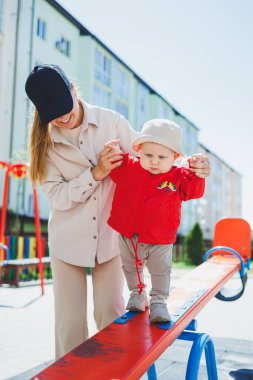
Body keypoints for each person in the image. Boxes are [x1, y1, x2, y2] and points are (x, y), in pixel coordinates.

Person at [25, 64, 211, 358]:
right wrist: (96, 173)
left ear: (73, 89)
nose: (62, 116)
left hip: (113, 239)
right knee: (70, 328)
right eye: (52, 112)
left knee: (110, 320)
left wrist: (191, 167)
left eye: (64, 105)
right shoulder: (46, 144)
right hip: (68, 241)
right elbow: (58, 198)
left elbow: (153, 155)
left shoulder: (111, 122)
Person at [107, 119, 205, 323]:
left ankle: (159, 301)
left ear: (175, 157)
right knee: (130, 267)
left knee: (161, 270)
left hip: (161, 237)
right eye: (148, 155)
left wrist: (197, 173)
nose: (154, 161)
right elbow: (113, 169)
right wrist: (113, 150)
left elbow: (193, 191)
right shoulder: (128, 167)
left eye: (162, 157)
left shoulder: (179, 176)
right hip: (129, 234)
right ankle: (137, 293)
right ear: (139, 150)